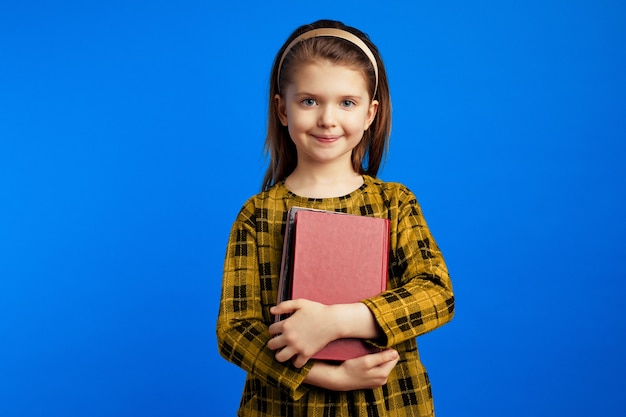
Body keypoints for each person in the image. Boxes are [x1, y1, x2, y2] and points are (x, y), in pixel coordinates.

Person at [216, 19, 454, 417]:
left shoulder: (395, 203)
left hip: (387, 404)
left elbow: (436, 294)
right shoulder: (256, 215)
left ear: (369, 114)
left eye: (347, 102)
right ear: (282, 109)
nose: (328, 118)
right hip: (284, 406)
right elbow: (235, 331)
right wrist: (326, 376)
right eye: (309, 101)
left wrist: (337, 322)